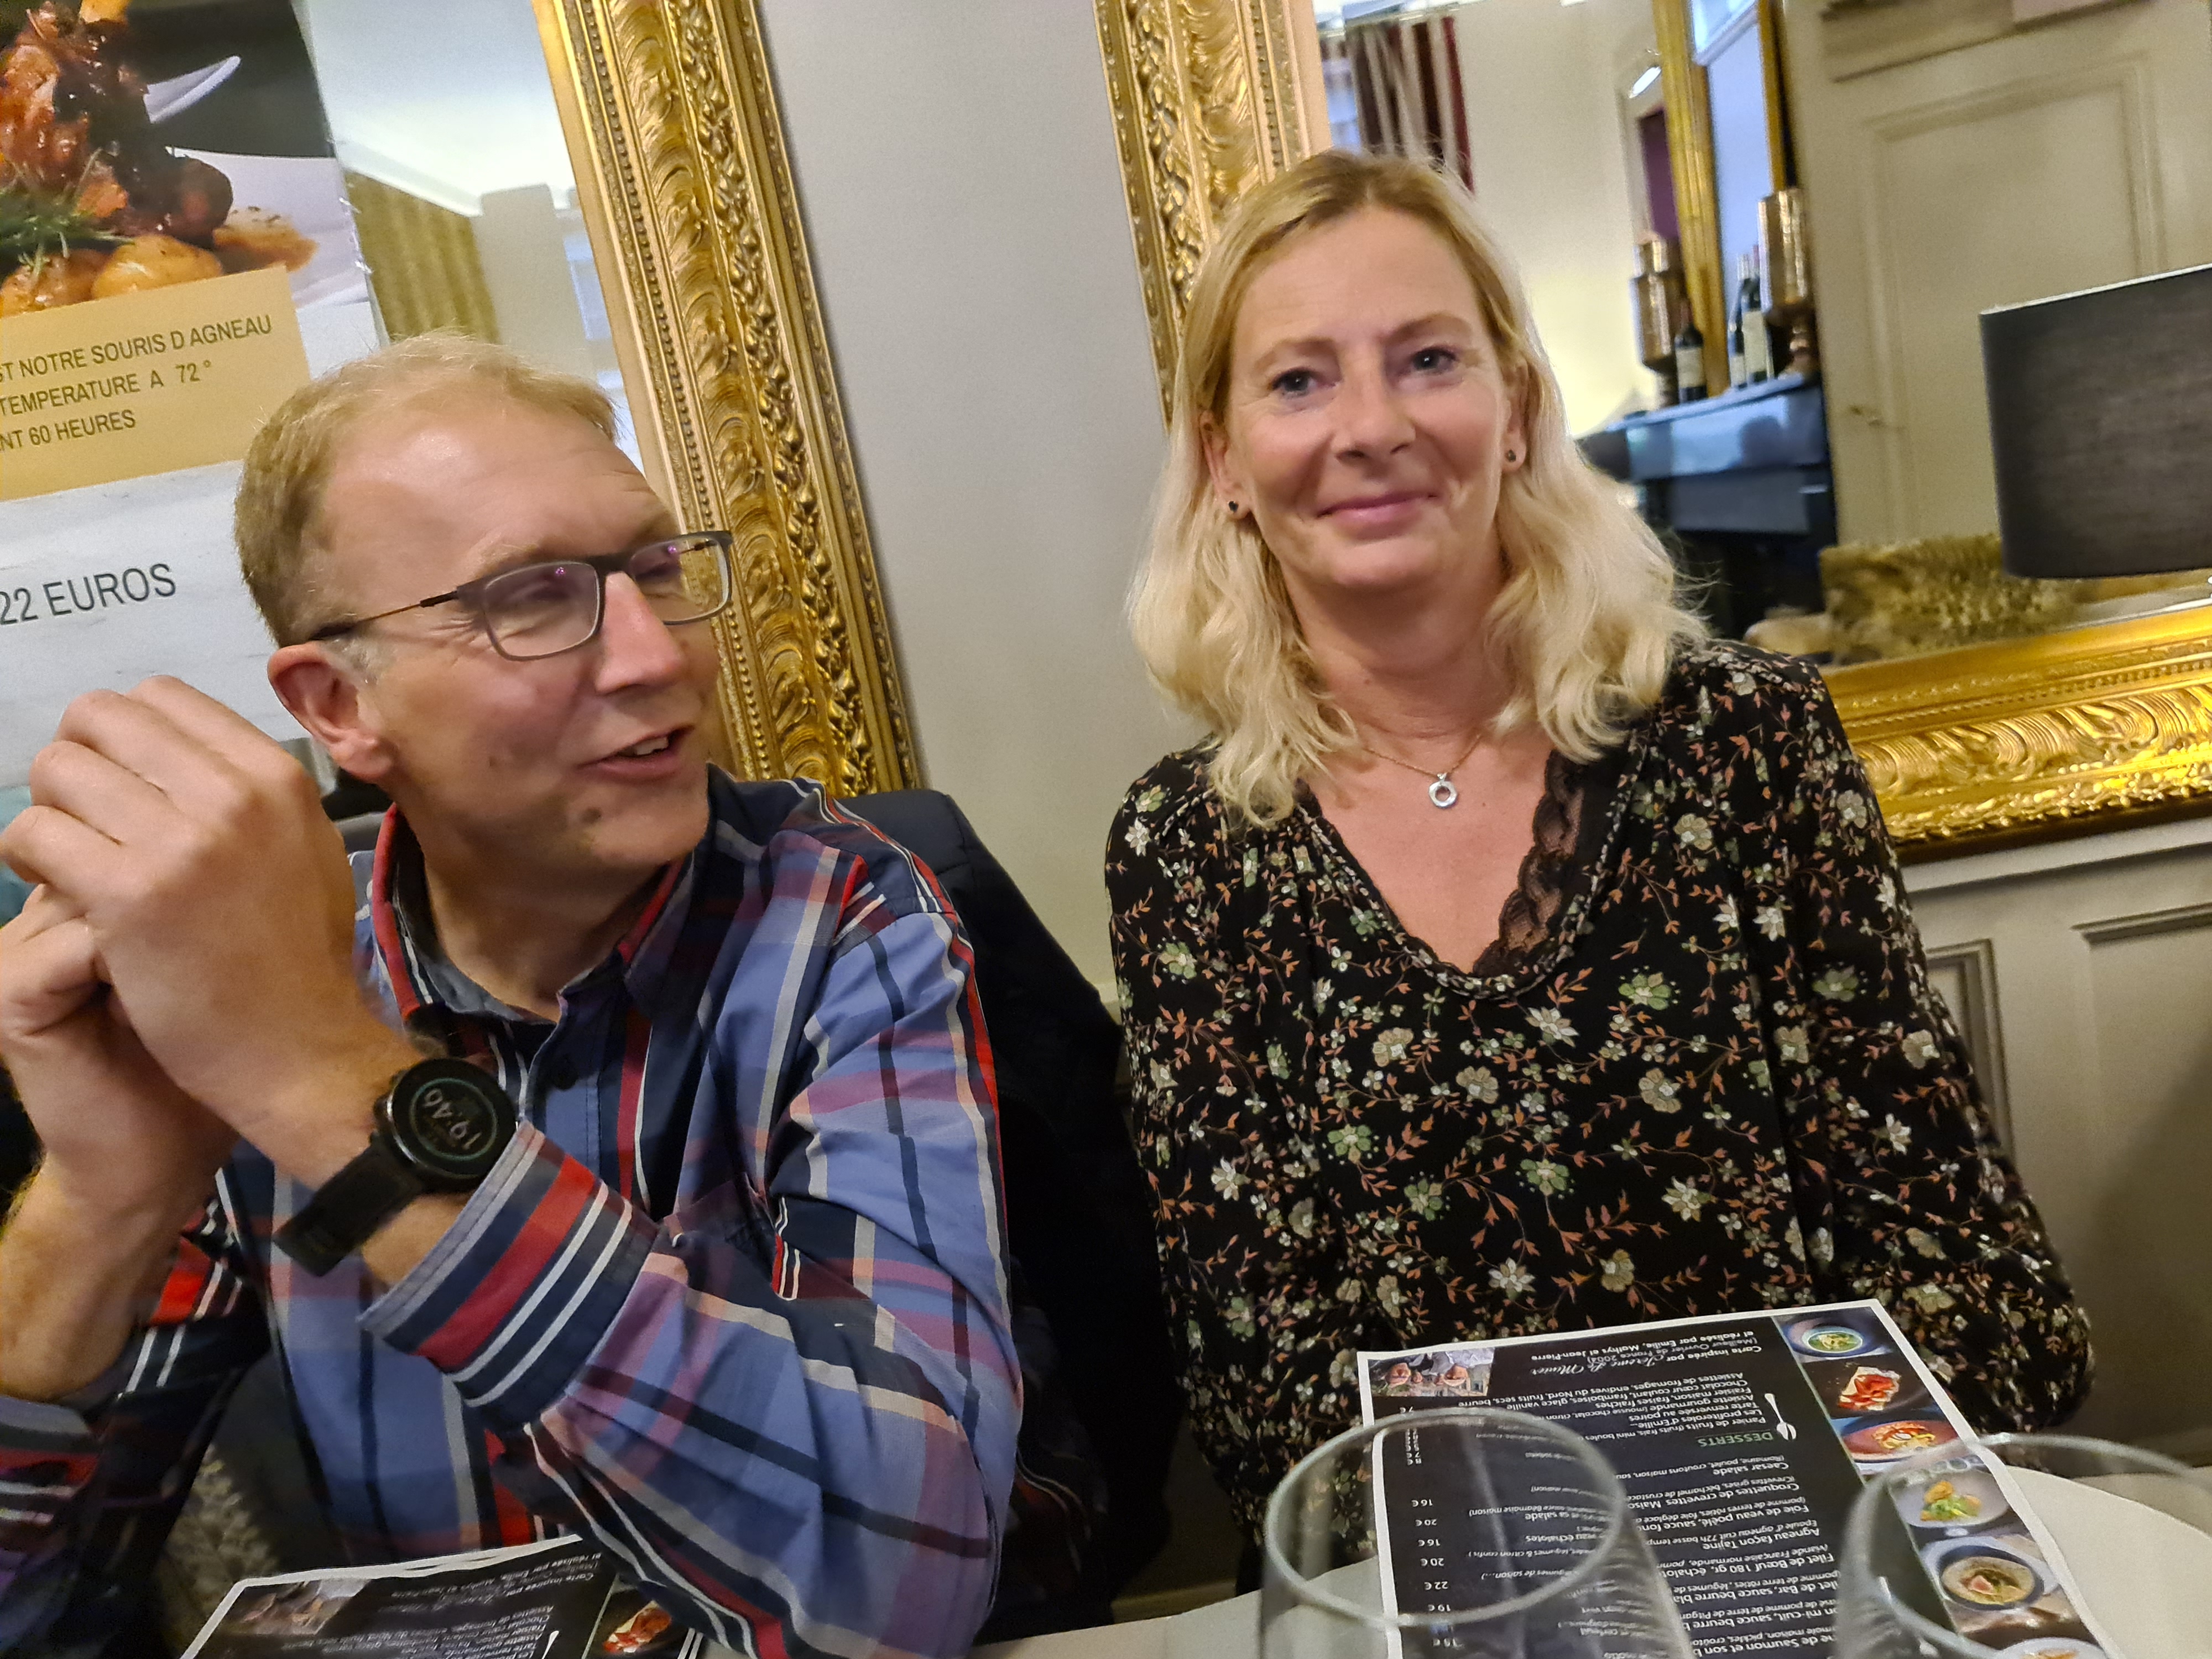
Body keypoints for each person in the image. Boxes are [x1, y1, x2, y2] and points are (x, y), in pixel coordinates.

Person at [1105, 149, 2091, 1543]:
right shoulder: (1185, 851)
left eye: (1427, 359)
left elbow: (1972, 1281)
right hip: (1456, 1585)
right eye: (1298, 380)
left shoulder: (1747, 744)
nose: (1370, 426)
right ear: (1222, 461)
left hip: (1819, 1546)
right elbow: (1268, 1404)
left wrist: (1750, 1519)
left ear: (1514, 410)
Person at [0, 336, 1024, 1657]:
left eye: (656, 569)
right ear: (339, 704)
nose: (656, 655)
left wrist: (324, 1081)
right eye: (531, 598)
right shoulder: (248, 962)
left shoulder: (838, 912)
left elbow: (903, 1584)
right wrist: (98, 1204)